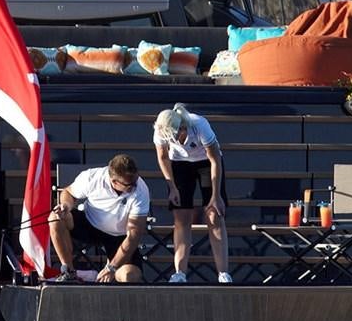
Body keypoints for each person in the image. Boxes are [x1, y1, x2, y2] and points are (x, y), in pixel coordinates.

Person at [153, 103, 231, 283]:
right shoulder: (160, 128)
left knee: (214, 215)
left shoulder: (199, 125)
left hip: (206, 162)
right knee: (181, 216)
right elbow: (163, 157)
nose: (174, 138)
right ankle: (180, 272)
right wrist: (172, 187)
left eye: (175, 134)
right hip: (179, 164)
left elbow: (215, 160)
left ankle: (223, 273)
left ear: (183, 128)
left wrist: (216, 195)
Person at [47, 154, 149, 283]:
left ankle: (109, 278)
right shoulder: (93, 177)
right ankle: (69, 272)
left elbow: (134, 235)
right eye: (129, 185)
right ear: (114, 181)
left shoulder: (141, 189)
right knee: (55, 218)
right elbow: (68, 192)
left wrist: (112, 268)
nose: (134, 186)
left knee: (130, 276)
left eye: (135, 180)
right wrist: (66, 206)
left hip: (119, 236)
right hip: (89, 224)